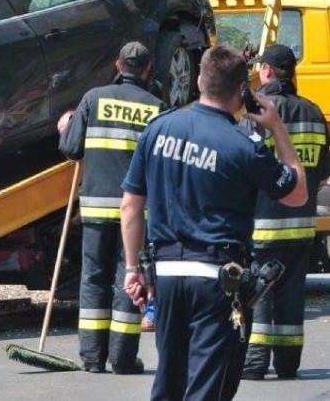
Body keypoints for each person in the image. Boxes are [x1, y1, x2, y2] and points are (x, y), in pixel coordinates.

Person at [121, 45, 307, 400]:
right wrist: (278, 129)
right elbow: (296, 193)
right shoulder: (244, 146)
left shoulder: (158, 129)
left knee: (170, 382)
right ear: (242, 91)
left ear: (199, 80)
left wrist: (133, 269)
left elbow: (131, 206)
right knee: (208, 387)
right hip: (216, 280)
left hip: (167, 277)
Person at [58, 41, 164, 374]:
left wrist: (66, 127)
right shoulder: (157, 107)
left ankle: (91, 357)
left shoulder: (93, 98)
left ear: (118, 67)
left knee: (93, 279)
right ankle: (122, 357)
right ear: (147, 70)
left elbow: (71, 149)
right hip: (136, 214)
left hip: (95, 209)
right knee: (129, 278)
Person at [241, 44, 330, 380]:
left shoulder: (259, 110)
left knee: (260, 293)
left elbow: (243, 163)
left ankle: (255, 363)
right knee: (291, 295)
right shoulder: (314, 112)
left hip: (264, 223)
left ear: (266, 71)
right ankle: (288, 364)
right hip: (302, 224)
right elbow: (321, 170)